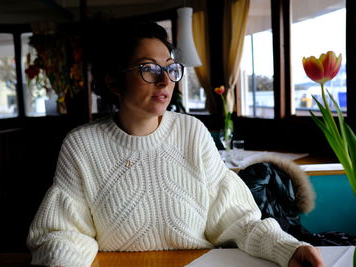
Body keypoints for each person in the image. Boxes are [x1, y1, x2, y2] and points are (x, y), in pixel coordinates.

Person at [26, 20, 324, 267]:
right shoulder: (82, 145)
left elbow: (238, 219)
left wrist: (287, 248)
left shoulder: (192, 133)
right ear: (113, 82)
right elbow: (63, 235)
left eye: (170, 68)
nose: (165, 80)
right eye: (149, 69)